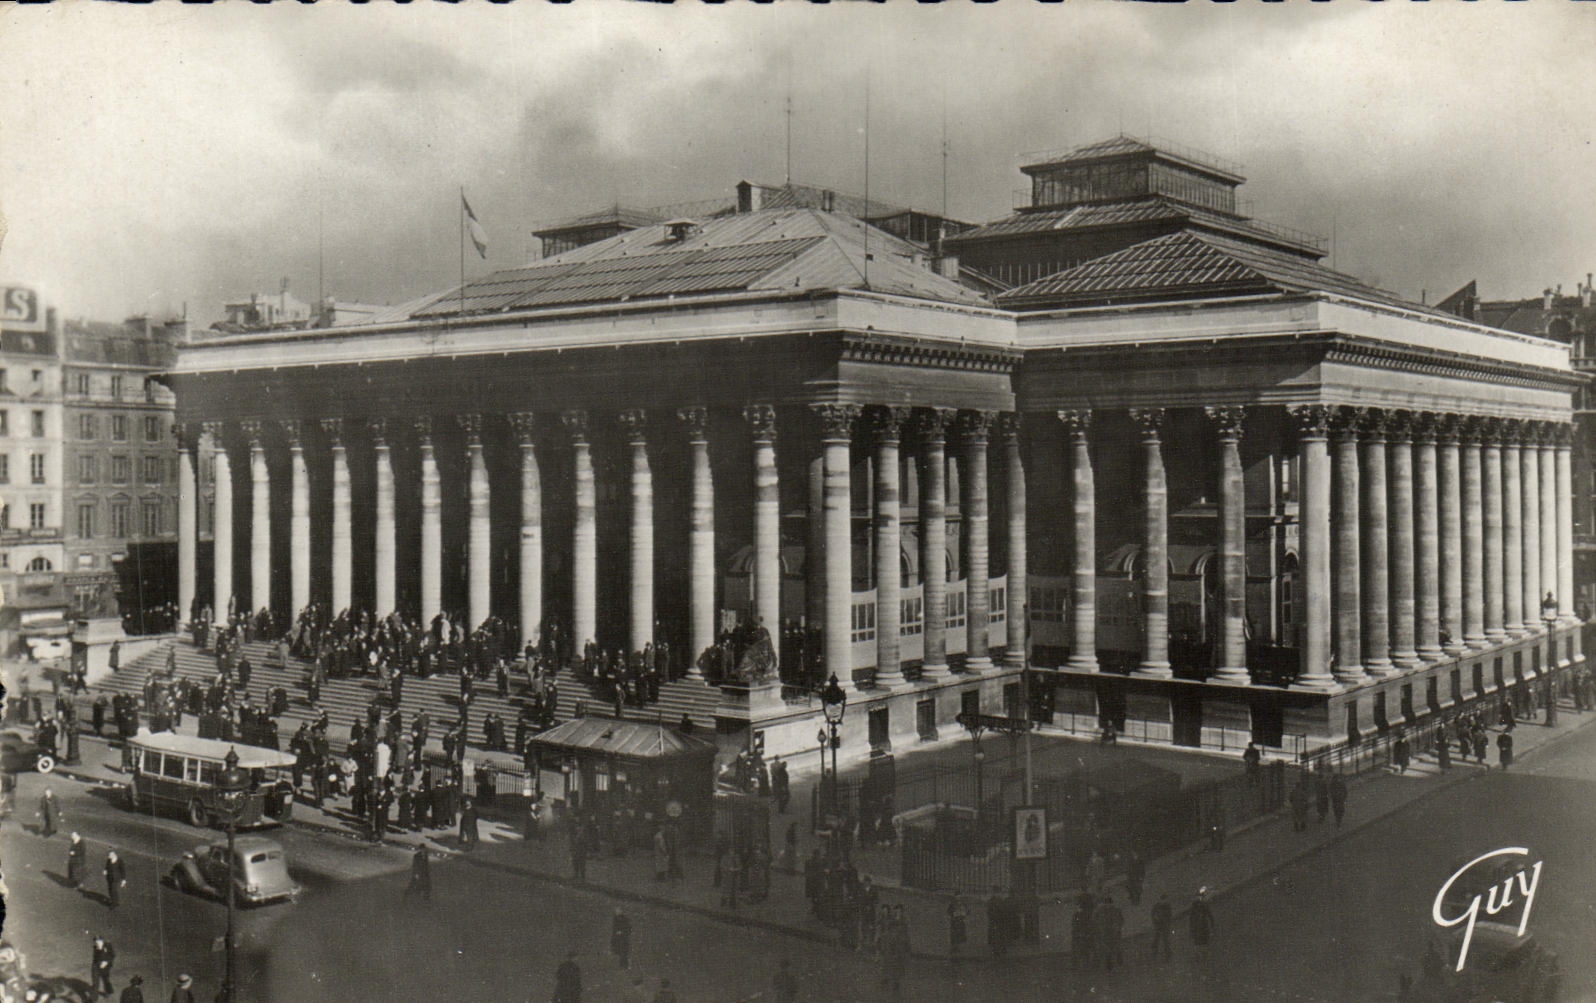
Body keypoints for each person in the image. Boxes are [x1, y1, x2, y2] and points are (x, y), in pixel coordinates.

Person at [1095, 893, 1124, 971]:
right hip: (1107, 932)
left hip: (1113, 932)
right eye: (1107, 904)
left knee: (1115, 946)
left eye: (1109, 904)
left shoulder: (1114, 911)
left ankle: (1117, 959)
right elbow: (1096, 920)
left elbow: (1121, 920)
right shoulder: (1102, 911)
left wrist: (1118, 927)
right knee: (1109, 947)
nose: (1108, 905)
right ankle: (1110, 963)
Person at [1150, 892, 1173, 961]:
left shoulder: (1163, 906)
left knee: (1164, 938)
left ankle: (1166, 951)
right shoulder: (1159, 906)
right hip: (1160, 924)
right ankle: (1157, 949)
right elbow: (1153, 914)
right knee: (1160, 937)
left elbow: (1169, 915)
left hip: (1163, 924)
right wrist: (1155, 921)